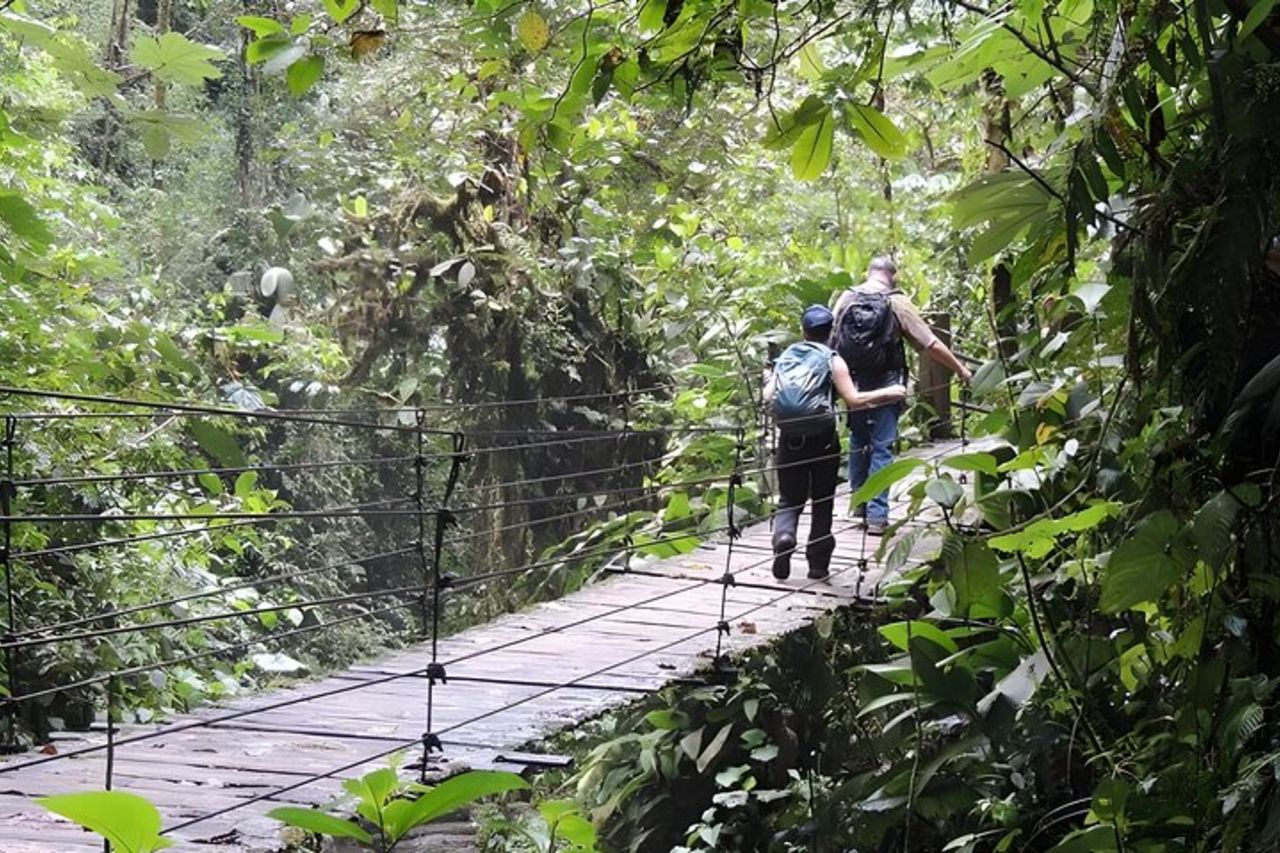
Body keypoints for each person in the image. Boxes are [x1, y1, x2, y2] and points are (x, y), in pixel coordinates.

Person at [831, 257, 972, 534]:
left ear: (868, 273)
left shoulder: (846, 298)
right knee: (882, 446)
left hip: (854, 384)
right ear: (892, 277)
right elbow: (929, 343)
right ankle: (877, 516)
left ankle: (860, 504)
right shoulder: (896, 302)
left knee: (859, 440)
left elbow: (831, 341)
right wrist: (960, 368)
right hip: (888, 385)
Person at [766, 305, 907, 580]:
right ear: (831, 333)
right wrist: (890, 392)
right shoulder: (833, 359)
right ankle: (818, 565)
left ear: (803, 331)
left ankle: (783, 537)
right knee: (823, 500)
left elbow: (767, 396)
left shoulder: (786, 358)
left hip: (790, 440)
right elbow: (853, 400)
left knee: (789, 499)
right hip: (823, 442)